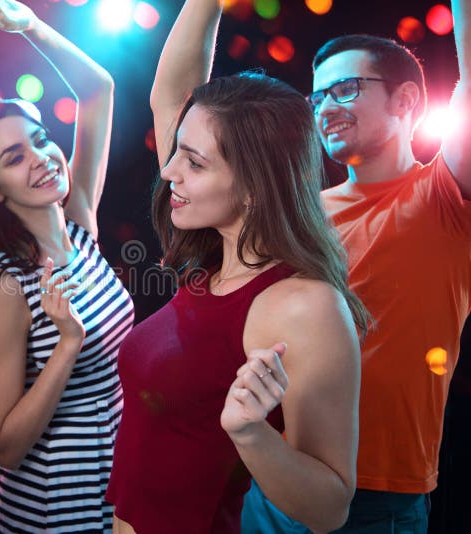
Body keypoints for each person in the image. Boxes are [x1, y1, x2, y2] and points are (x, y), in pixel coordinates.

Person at [105, 1, 368, 532]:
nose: (170, 172)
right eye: (176, 151)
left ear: (254, 185)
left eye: (194, 161)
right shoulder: (213, 253)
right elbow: (171, 97)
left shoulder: (305, 305)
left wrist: (252, 434)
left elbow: (330, 506)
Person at [242, 1, 471, 532]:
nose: (325, 109)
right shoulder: (302, 215)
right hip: (276, 477)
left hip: (376, 495)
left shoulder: (442, 195)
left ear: (406, 99)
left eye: (345, 89)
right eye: (318, 96)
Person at [0, 0, 134, 531]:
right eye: (14, 159)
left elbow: (98, 89)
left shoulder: (78, 220)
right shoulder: (5, 287)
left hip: (117, 490)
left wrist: (29, 26)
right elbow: (5, 447)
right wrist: (68, 344)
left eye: (39, 140)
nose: (40, 158)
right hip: (58, 508)